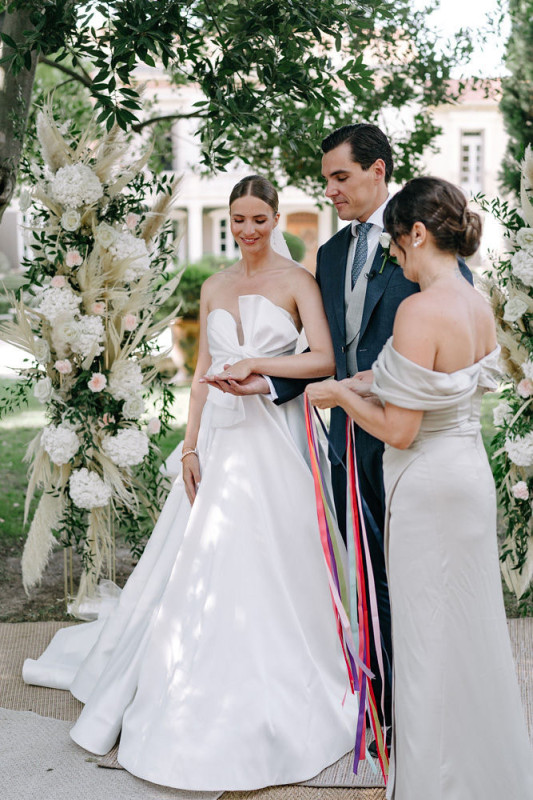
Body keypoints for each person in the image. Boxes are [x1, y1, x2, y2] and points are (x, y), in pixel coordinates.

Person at [23, 175, 358, 791]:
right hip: (221, 437)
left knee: (273, 560)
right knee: (197, 559)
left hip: (276, 440)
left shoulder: (297, 282)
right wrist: (192, 446)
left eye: (259, 218)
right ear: (228, 222)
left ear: (277, 218)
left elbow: (325, 361)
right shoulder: (215, 285)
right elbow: (202, 369)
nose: (248, 230)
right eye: (238, 219)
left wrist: (259, 365)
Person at [214, 124, 473, 745]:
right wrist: (271, 388)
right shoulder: (329, 256)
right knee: (367, 568)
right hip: (345, 442)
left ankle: (433, 693)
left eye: (341, 177)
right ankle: (385, 700)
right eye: (326, 179)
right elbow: (324, 354)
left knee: (417, 568)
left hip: (414, 436)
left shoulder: (420, 237)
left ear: (378, 171)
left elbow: (452, 330)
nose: (330, 191)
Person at [306, 176, 533, 800]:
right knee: (471, 630)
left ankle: (434, 783)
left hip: (427, 485)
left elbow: (400, 432)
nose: (395, 259)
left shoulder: (417, 309)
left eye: (397, 247)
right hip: (468, 475)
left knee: (425, 635)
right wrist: (360, 387)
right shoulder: (478, 304)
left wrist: (336, 398)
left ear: (417, 233)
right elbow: (436, 390)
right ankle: (487, 775)